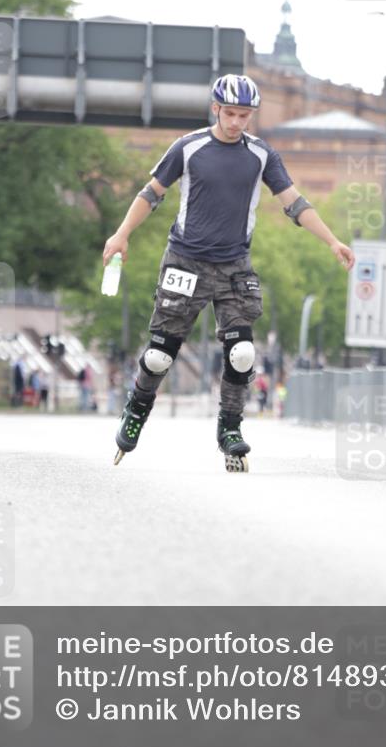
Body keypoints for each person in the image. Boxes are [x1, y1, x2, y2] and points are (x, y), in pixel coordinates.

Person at [102, 73, 355, 468]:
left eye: (245, 115)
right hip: (185, 260)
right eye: (231, 113)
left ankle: (230, 427)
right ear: (215, 109)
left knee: (242, 353)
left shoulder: (261, 155)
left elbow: (294, 202)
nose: (237, 122)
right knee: (159, 358)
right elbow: (151, 193)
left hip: (235, 265)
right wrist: (121, 235)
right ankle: (136, 410)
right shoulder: (188, 148)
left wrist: (332, 240)